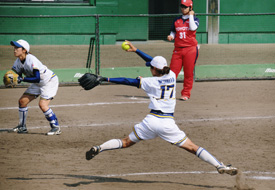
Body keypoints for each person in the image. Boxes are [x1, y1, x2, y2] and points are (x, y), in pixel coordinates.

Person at [85, 41, 238, 176]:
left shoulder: (150, 82)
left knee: (125, 142)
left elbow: (128, 81)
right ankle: (219, 166)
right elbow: (153, 62)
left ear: (154, 70)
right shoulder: (171, 74)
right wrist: (136, 51)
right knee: (192, 147)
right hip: (167, 123)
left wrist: (105, 78)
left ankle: (99, 147)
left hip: (150, 121)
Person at [10, 39, 61, 135]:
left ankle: (56, 127)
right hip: (38, 83)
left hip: (49, 81)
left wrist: (22, 79)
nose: (15, 49)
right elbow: (16, 75)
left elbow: (37, 78)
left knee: (43, 105)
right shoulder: (17, 62)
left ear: (24, 50)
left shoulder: (31, 59)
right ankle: (22, 126)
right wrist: (11, 80)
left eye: (17, 47)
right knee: (22, 101)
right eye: (14, 47)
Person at [167, 0, 199, 101]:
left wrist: (191, 16)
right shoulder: (177, 20)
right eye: (182, 6)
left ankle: (186, 93)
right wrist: (171, 36)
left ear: (190, 8)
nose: (183, 8)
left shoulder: (195, 19)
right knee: (172, 72)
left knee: (188, 73)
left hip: (190, 49)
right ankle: (168, 93)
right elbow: (173, 31)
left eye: (185, 7)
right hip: (178, 49)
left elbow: (192, 28)